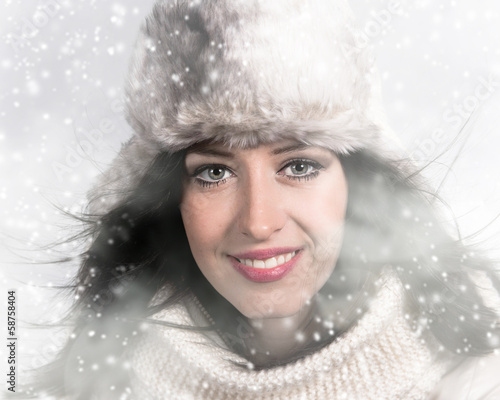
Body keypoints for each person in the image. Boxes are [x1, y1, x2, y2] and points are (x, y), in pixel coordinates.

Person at [33, 0, 500, 399]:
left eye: (298, 166)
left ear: (359, 184)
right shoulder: (97, 381)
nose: (258, 222)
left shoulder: (479, 375)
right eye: (214, 173)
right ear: (170, 199)